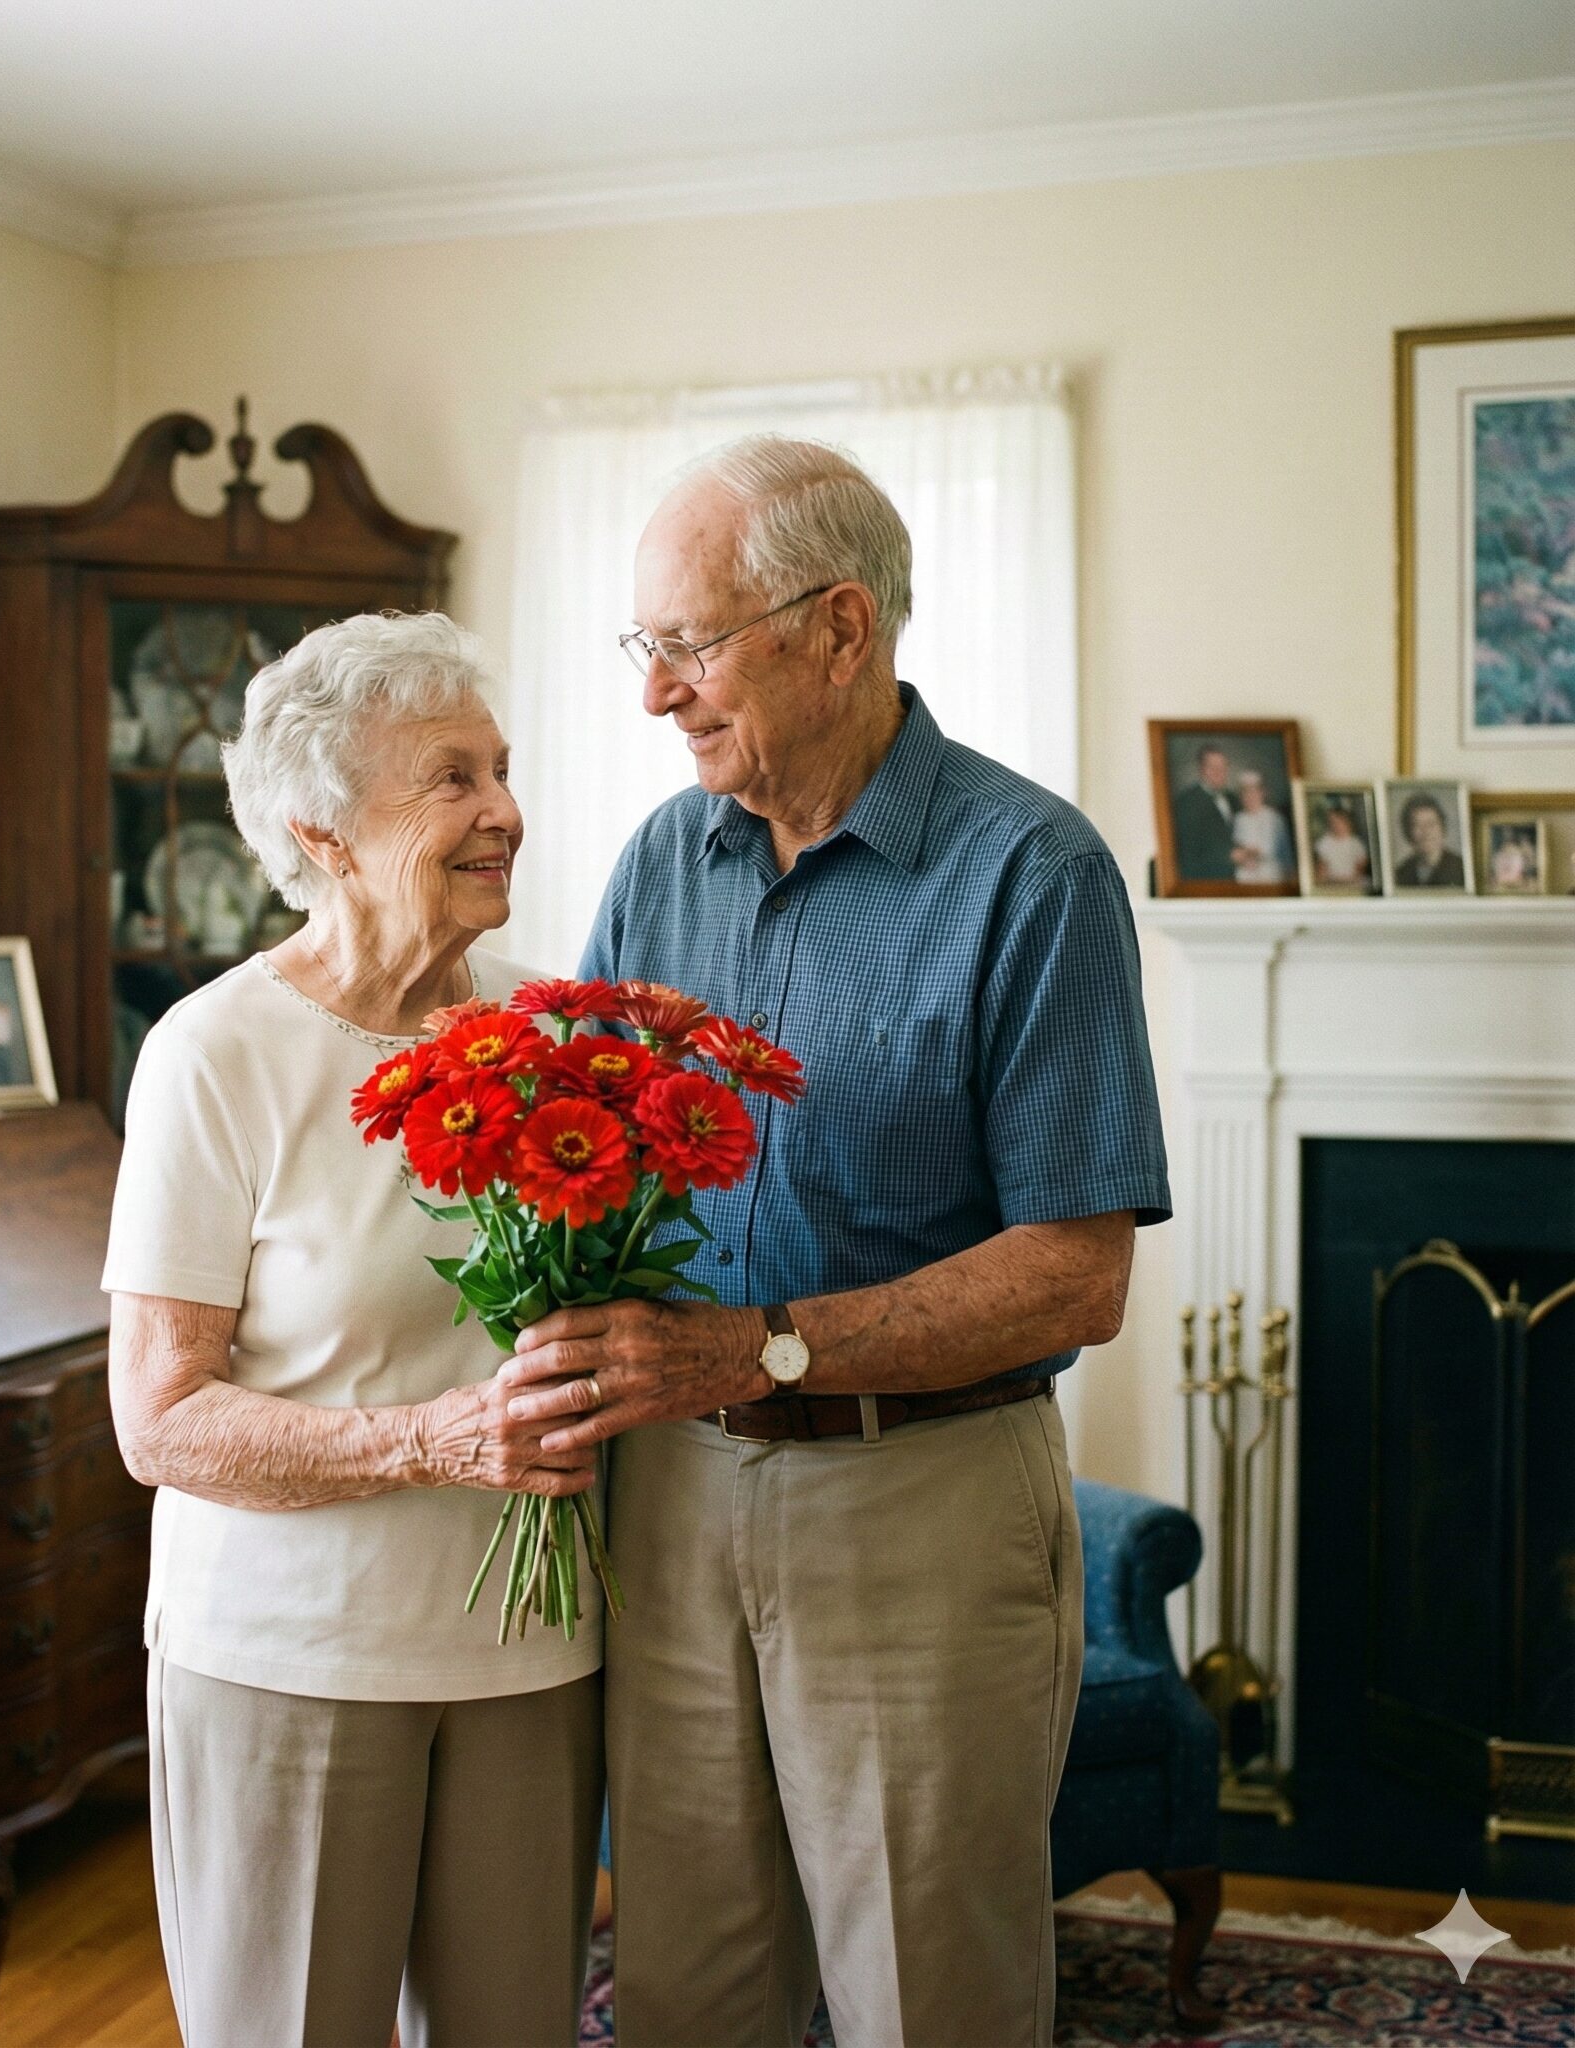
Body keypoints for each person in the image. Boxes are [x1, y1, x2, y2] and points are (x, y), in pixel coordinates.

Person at [499, 437, 1169, 2047]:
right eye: (642, 648)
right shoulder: (667, 857)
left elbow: (1078, 1271)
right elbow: (579, 1155)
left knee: (925, 1997)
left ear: (840, 628)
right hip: (671, 1502)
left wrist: (761, 1343)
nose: (656, 694)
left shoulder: (1035, 872)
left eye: (691, 643)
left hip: (920, 1507)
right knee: (681, 1989)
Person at [103, 612, 603, 2048]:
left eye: (501, 770)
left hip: (528, 1655)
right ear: (322, 830)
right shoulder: (214, 1052)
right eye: (451, 779)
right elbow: (164, 1418)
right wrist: (439, 1439)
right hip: (291, 1667)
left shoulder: (550, 1033)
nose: (504, 811)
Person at [1171, 741, 1236, 881]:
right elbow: (1187, 852)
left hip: (1235, 883)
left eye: (1223, 767)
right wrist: (1228, 856)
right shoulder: (1186, 802)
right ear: (1201, 769)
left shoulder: (1233, 799)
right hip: (1203, 884)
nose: (1219, 772)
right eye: (1212, 767)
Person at [1230, 768, 1293, 884]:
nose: (1250, 797)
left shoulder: (1275, 818)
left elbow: (1284, 855)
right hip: (1244, 876)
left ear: (1263, 793)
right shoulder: (1238, 819)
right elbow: (1235, 846)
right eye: (1245, 792)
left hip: (1271, 876)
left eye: (1254, 792)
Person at [1394, 791, 1466, 889]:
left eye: (1431, 824)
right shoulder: (1400, 873)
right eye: (1417, 825)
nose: (1426, 832)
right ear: (1408, 831)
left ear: (1442, 827)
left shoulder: (1461, 868)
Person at [1312, 801, 1371, 888]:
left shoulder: (1356, 843)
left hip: (1353, 882)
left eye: (1338, 821)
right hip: (1331, 883)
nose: (1335, 825)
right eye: (1332, 822)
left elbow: (1360, 869)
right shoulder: (1323, 843)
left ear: (1347, 822)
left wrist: (1349, 881)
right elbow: (1321, 871)